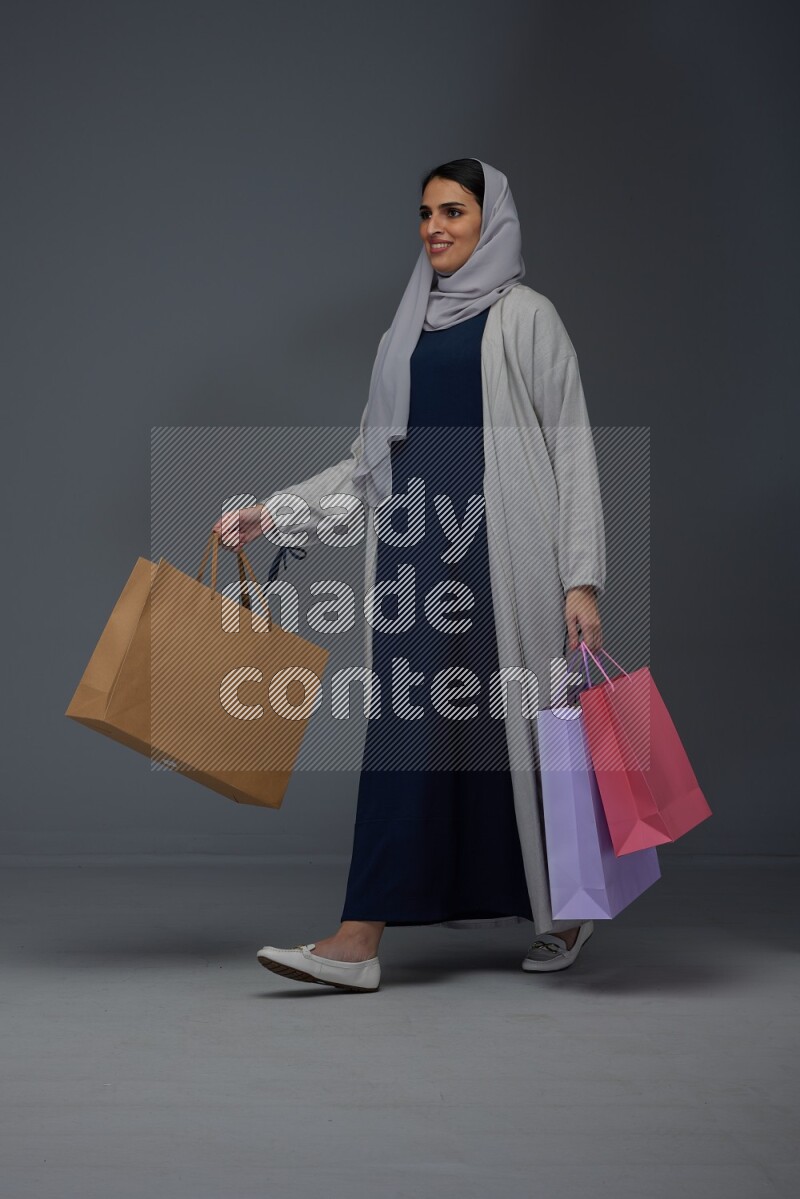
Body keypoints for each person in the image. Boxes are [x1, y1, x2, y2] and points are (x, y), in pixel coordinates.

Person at [213, 158, 605, 993]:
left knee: (528, 732)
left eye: (454, 211)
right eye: (426, 212)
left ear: (491, 219)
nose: (435, 227)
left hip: (508, 557)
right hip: (414, 560)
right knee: (404, 736)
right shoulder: (405, 334)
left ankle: (564, 908)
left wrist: (582, 579)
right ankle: (358, 937)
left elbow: (571, 444)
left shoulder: (529, 320)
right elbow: (366, 467)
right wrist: (271, 513)